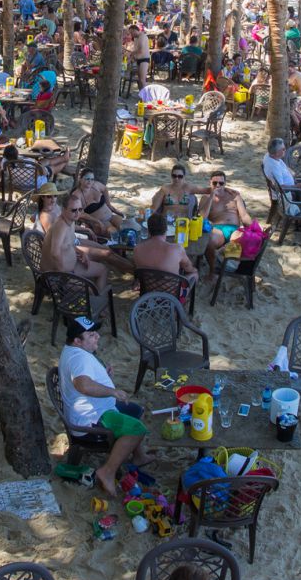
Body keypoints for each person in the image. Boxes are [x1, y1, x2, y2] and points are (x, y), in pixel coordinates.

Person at [58, 316, 146, 499]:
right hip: (93, 417)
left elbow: (85, 380)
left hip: (95, 408)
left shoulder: (74, 351)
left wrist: (103, 376)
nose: (97, 336)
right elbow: (83, 385)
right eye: (91, 335)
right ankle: (107, 471)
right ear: (77, 341)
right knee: (137, 429)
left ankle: (139, 456)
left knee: (136, 411)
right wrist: (112, 391)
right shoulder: (78, 358)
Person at [44, 190, 132, 288]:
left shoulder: (70, 220)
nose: (77, 213)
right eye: (73, 210)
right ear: (63, 209)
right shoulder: (61, 226)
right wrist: (65, 275)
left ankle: (97, 296)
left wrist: (81, 253)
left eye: (80, 209)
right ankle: (96, 298)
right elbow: (54, 253)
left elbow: (69, 244)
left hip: (71, 265)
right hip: (61, 274)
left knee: (103, 267)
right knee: (104, 265)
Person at [131, 212, 197, 285]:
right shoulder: (177, 249)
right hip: (171, 294)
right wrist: (194, 270)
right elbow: (188, 267)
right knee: (195, 274)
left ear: (148, 231)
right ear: (166, 230)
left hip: (147, 293)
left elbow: (137, 269)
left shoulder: (137, 249)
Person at [262, 138, 301, 217]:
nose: (285, 150)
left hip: (292, 187)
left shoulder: (270, 155)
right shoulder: (274, 167)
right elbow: (281, 187)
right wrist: (295, 186)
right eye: (283, 149)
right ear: (276, 153)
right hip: (288, 192)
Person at [196, 170, 252, 244]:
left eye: (221, 183)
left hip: (234, 229)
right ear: (210, 183)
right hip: (217, 229)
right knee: (212, 241)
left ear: (225, 184)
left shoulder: (234, 196)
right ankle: (221, 251)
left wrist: (254, 227)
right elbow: (202, 218)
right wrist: (211, 197)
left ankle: (223, 250)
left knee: (241, 239)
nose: (218, 185)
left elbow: (244, 216)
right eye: (215, 183)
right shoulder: (206, 198)